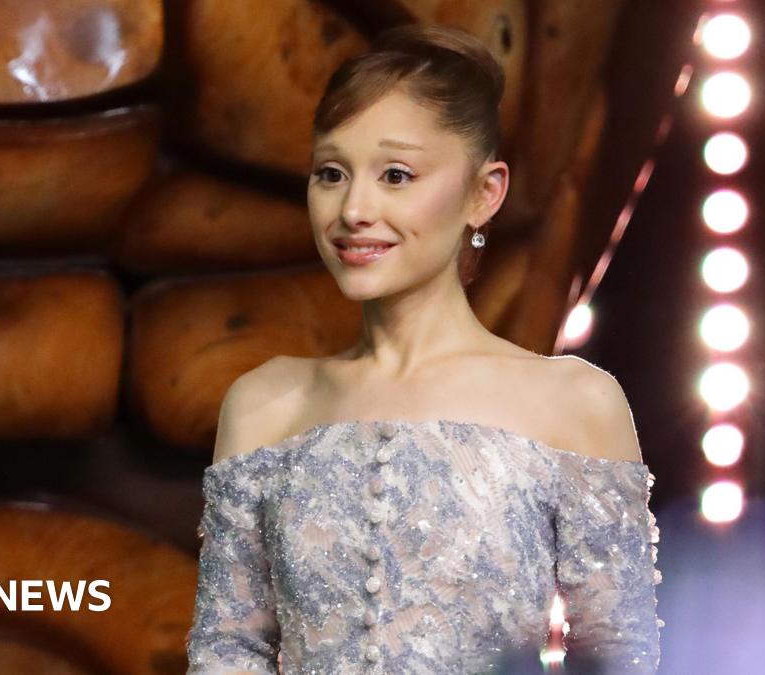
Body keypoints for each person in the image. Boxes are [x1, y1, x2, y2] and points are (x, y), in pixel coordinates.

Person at [186, 24, 662, 675]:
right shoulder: (264, 403)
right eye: (331, 172)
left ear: (483, 193)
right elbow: (227, 653)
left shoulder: (575, 402)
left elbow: (621, 660)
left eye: (396, 174)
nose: (354, 208)